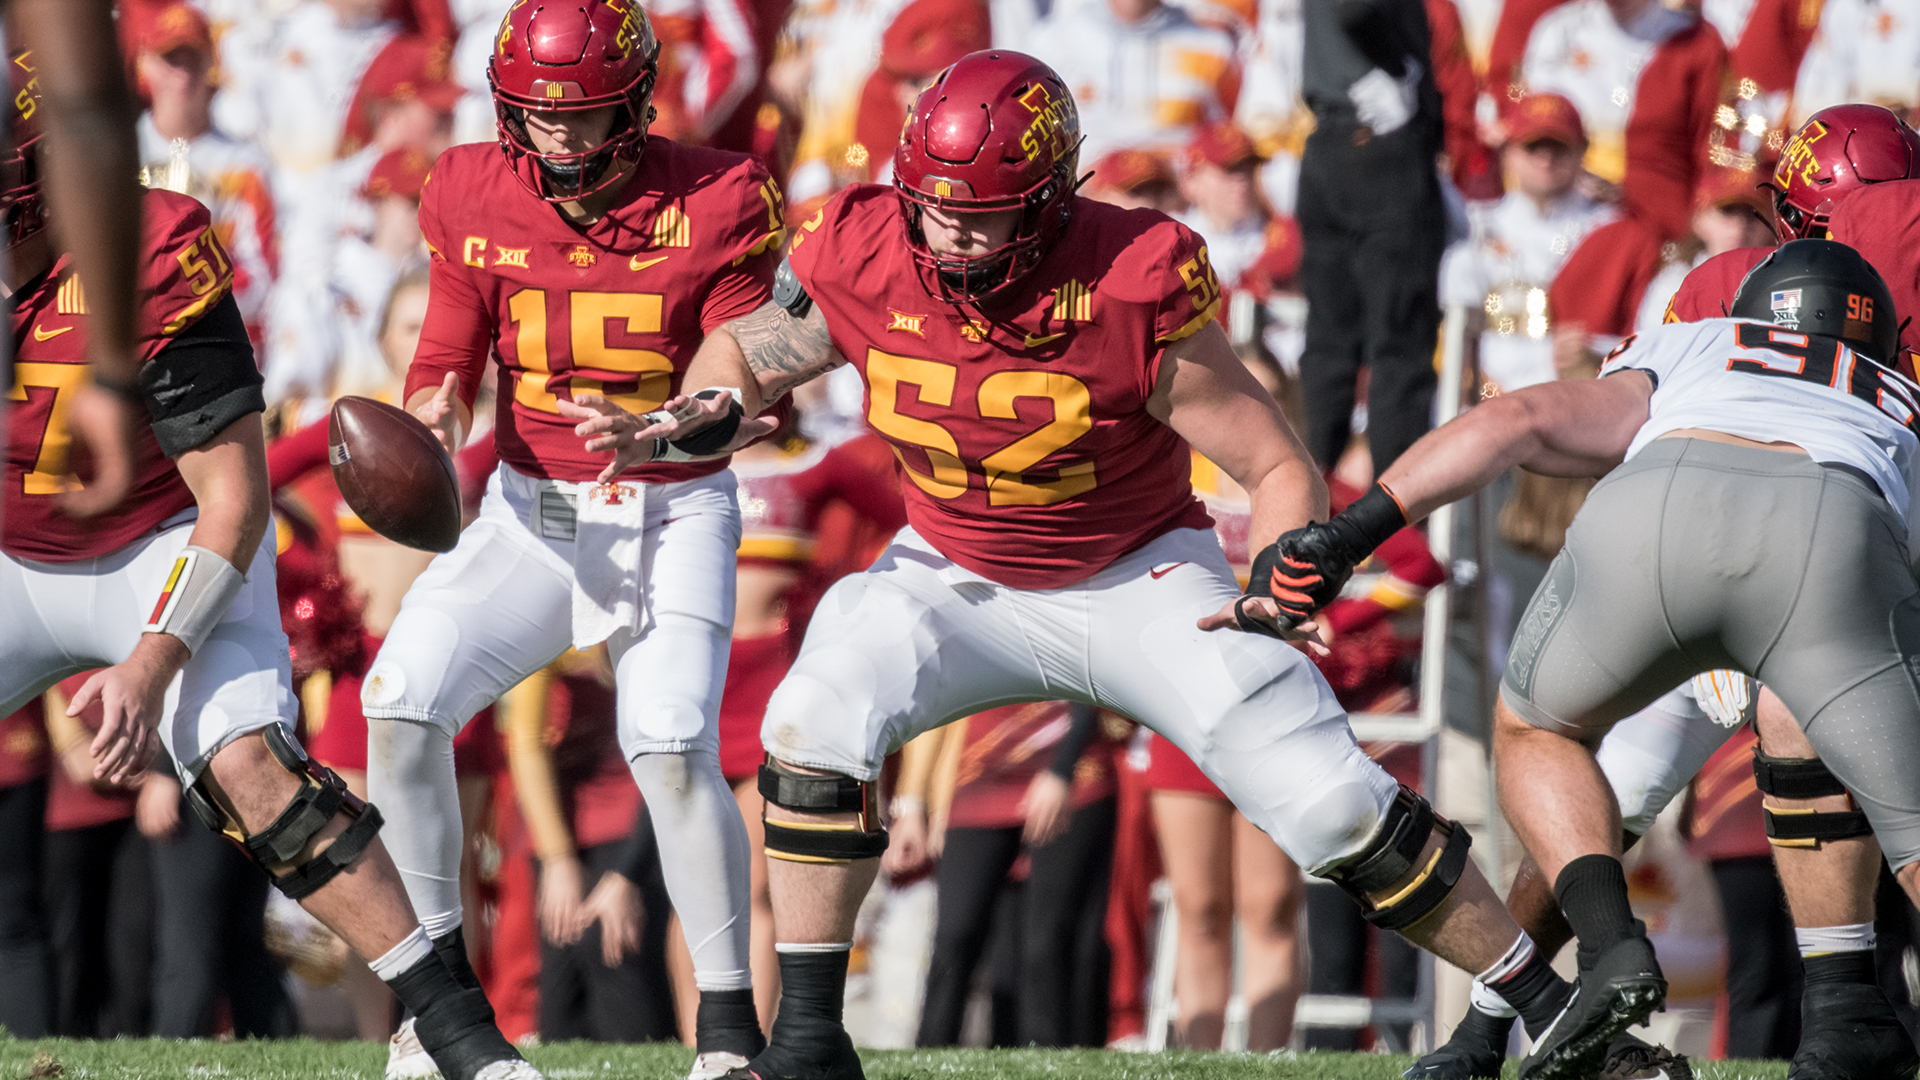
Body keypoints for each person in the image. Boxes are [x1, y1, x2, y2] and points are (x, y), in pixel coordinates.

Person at [626, 49, 1594, 1080]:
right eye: (934, 207)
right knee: (814, 716)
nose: (949, 232)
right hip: (953, 574)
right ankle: (810, 1042)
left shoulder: (1130, 275)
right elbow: (745, 350)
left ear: (1049, 201)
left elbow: (1273, 462)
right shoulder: (861, 245)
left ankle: (1555, 1011)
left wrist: (1275, 576)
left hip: (1133, 573)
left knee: (1330, 802)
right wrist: (704, 407)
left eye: (981, 214)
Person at [0, 51, 537, 1080]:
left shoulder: (153, 248)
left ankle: (454, 1027)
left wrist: (151, 666)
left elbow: (235, 501)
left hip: (162, 544)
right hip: (13, 555)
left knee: (253, 770)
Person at [1265, 237, 1920, 1080]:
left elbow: (1514, 420)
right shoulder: (1900, 392)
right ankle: (1492, 1029)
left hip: (1655, 526)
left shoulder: (1698, 338)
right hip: (1831, 550)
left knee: (1547, 746)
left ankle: (1621, 973)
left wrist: (1351, 535)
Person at [361, 2, 784, 1076]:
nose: (557, 138)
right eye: (537, 115)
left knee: (673, 735)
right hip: (534, 507)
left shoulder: (721, 193)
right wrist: (430, 420)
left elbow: (741, 372)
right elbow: (448, 353)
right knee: (399, 698)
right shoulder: (467, 186)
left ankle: (728, 1035)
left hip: (673, 505)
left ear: (637, 105)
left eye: (585, 116)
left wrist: (661, 427)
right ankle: (437, 1009)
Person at [1296, 0, 1445, 474]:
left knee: (1329, 339)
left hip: (1329, 140)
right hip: (1380, 144)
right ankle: (1394, 523)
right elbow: (1353, 9)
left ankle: (1304, 499)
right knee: (1399, 344)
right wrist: (1396, 66)